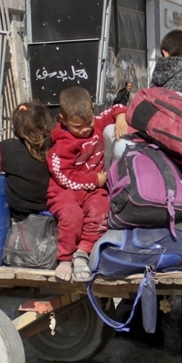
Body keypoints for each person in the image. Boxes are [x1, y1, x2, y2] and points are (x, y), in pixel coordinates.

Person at [47, 86, 127, 282]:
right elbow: (63, 176)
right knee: (71, 215)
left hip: (94, 192)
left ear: (93, 110)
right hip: (65, 192)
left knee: (101, 211)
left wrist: (121, 117)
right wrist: (94, 180)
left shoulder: (97, 124)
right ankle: (65, 258)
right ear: (63, 121)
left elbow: (116, 108)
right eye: (77, 126)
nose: (85, 129)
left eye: (88, 123)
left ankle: (82, 252)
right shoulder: (61, 145)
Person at [0, 101, 52, 219]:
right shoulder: (53, 146)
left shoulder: (6, 148)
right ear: (45, 125)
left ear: (16, 128)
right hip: (50, 207)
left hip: (20, 212)